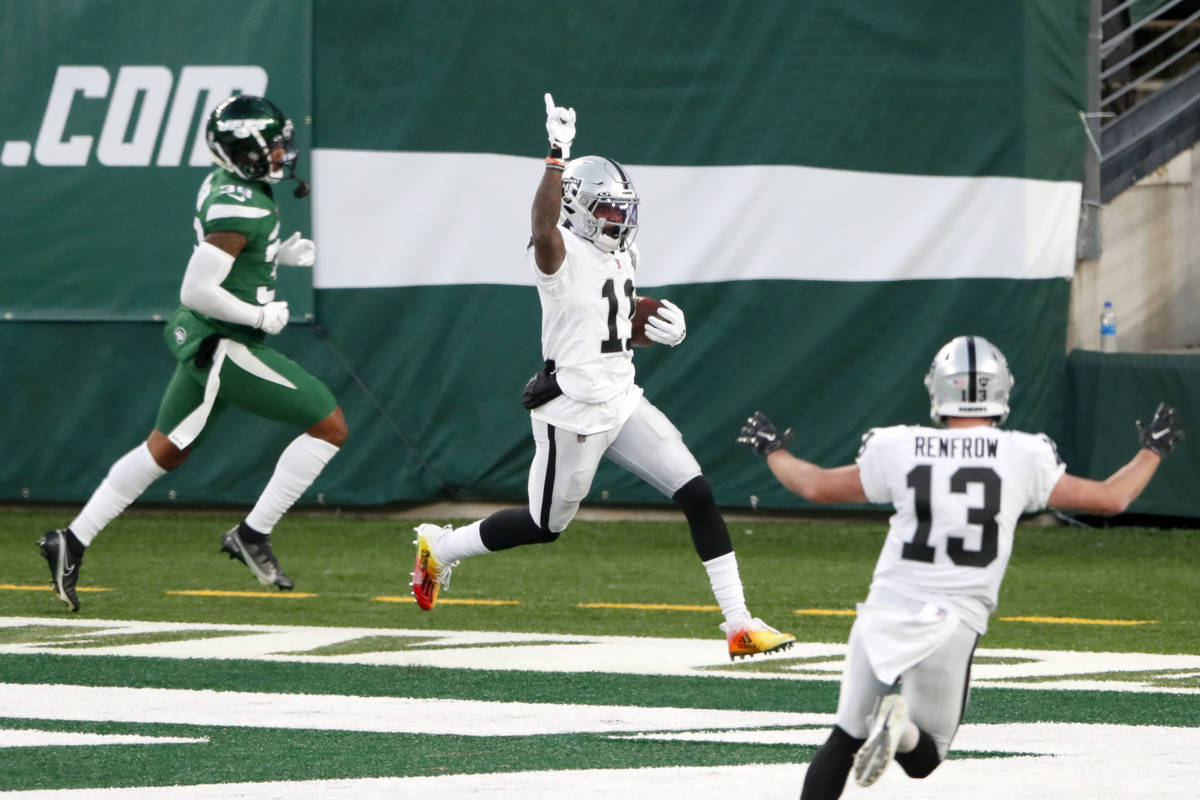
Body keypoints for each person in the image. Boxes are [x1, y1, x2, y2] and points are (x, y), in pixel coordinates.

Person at [409, 93, 795, 660]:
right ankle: (441, 548)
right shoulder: (558, 252)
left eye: (623, 208)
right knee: (545, 524)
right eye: (609, 208)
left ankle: (738, 623)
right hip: (574, 412)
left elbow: (610, 328)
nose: (620, 218)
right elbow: (543, 230)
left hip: (620, 398)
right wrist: (555, 158)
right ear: (579, 206)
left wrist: (660, 330)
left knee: (698, 493)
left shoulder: (622, 254)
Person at [736, 334, 1183, 797]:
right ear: (1002, 390)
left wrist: (773, 450)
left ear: (938, 389)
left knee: (845, 737)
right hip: (952, 619)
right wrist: (1152, 450)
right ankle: (902, 731)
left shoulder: (900, 446)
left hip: (887, 608)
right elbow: (1112, 498)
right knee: (926, 757)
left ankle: (887, 723)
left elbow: (815, 486)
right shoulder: (1022, 454)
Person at [37, 95, 347, 611]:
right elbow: (197, 289)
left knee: (165, 449)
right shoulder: (239, 204)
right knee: (330, 426)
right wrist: (259, 316)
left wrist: (274, 254)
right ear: (242, 152)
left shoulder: (233, 188)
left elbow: (228, 255)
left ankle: (70, 539)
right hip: (225, 341)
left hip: (209, 335)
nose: (281, 153)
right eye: (271, 146)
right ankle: (253, 533)